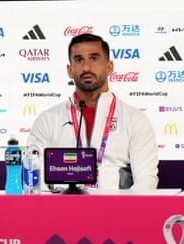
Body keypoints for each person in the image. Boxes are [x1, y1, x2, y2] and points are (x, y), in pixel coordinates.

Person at [28, 33, 158, 190]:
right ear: (70, 70)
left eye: (94, 58)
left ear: (109, 67)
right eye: (79, 60)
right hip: (63, 210)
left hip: (115, 211)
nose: (86, 67)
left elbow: (145, 181)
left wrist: (123, 211)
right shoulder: (48, 120)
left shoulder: (135, 120)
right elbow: (35, 179)